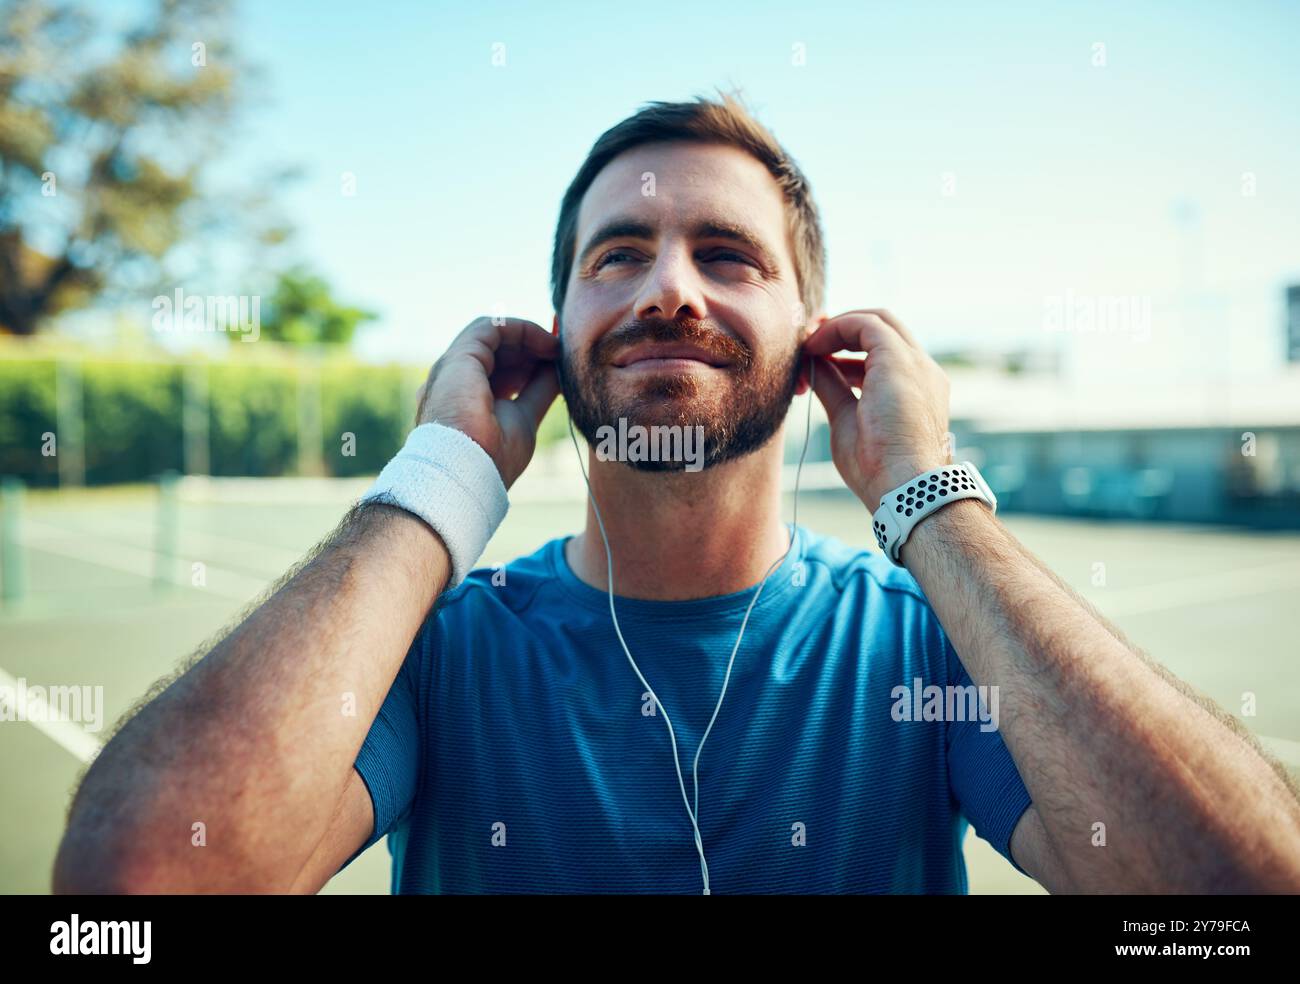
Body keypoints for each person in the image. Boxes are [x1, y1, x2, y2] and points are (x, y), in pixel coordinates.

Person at [53, 91, 1300, 895]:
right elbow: (138, 886)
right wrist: (439, 476)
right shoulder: (437, 653)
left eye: (725, 255)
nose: (669, 292)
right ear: (554, 330)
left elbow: (1242, 892)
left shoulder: (924, 647)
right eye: (618, 257)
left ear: (819, 340)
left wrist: (932, 498)